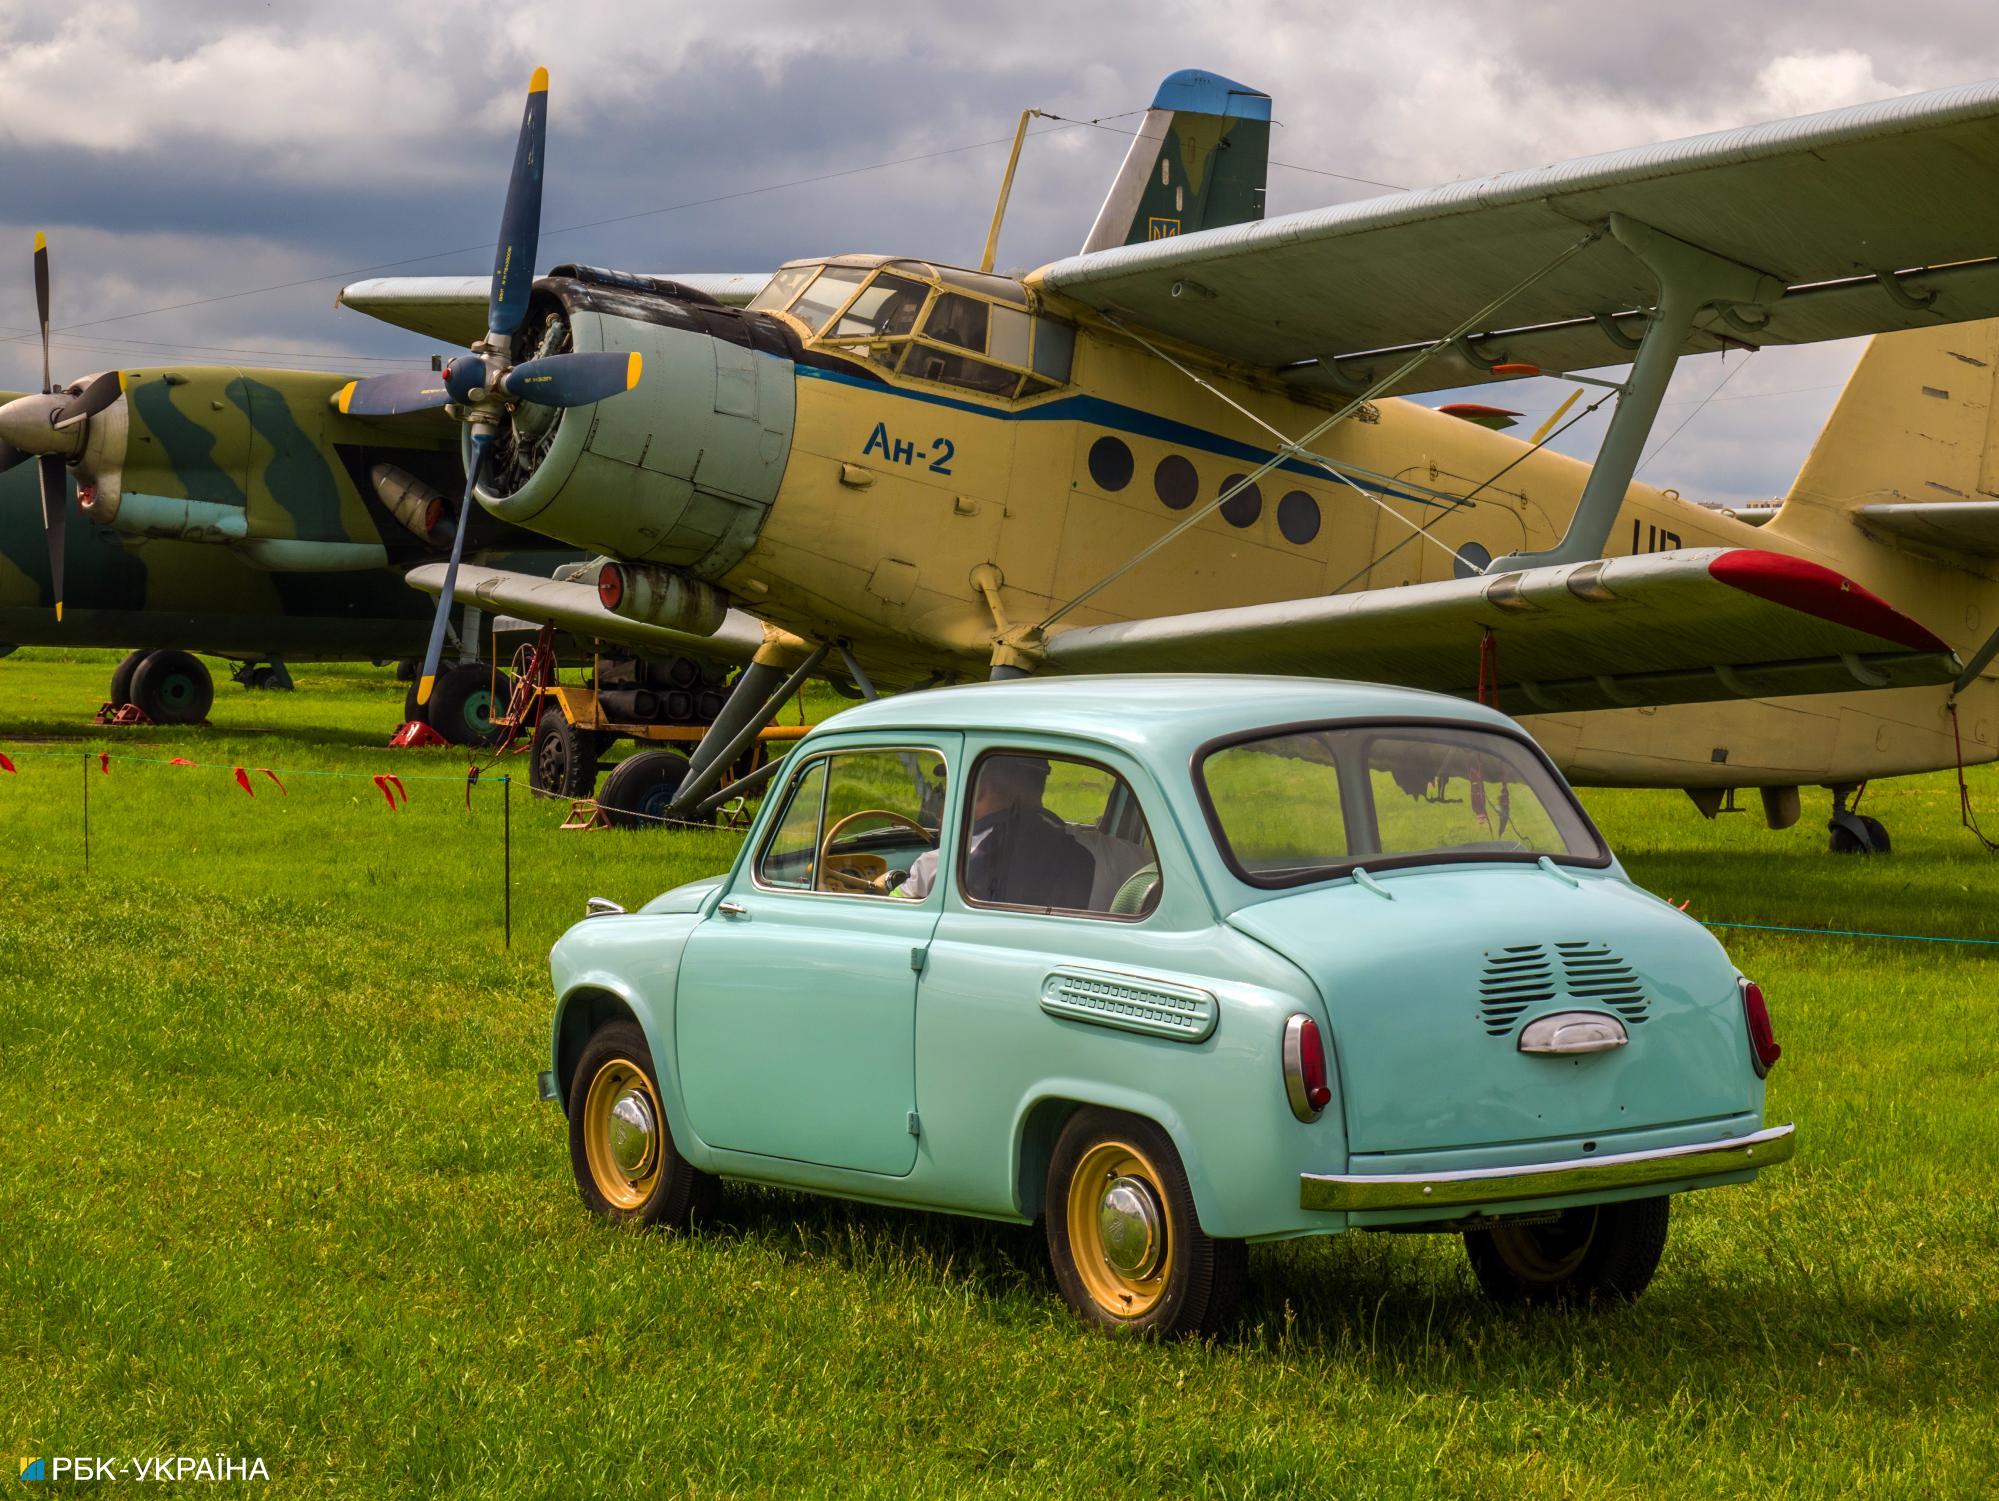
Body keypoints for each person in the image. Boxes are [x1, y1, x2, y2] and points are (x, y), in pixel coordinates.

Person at [897, 755, 1093, 908]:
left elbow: (893, 908)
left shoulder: (937, 865)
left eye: (953, 786)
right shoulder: (1078, 855)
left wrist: (884, 884)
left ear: (980, 788)